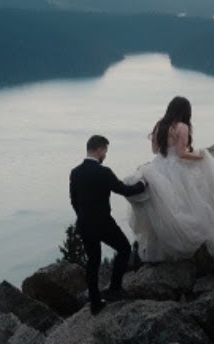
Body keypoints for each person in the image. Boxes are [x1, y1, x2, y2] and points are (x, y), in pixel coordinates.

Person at [128, 96, 214, 265]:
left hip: (158, 167)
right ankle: (196, 242)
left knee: (166, 209)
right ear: (185, 111)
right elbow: (182, 154)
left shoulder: (159, 126)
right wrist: (200, 156)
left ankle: (166, 249)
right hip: (177, 168)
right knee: (191, 204)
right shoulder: (181, 127)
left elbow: (155, 150)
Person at [68, 134, 147, 315]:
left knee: (93, 262)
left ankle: (95, 303)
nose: (105, 155)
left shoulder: (75, 172)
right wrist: (142, 185)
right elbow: (124, 190)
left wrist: (83, 216)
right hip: (103, 223)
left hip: (85, 224)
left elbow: (74, 200)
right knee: (124, 249)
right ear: (99, 150)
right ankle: (115, 288)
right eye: (105, 151)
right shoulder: (104, 172)